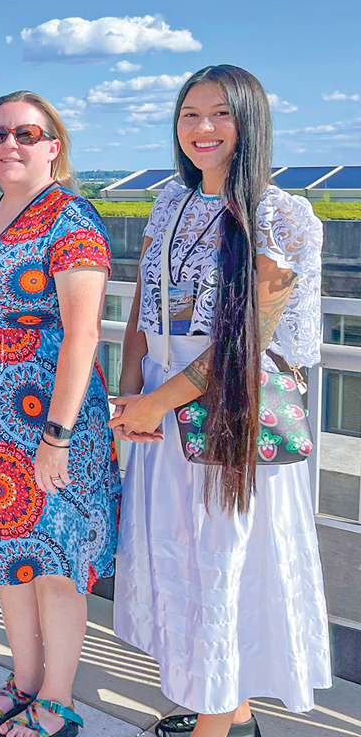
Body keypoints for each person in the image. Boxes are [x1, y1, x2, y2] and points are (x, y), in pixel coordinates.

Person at [110, 66, 330, 737]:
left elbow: (249, 336)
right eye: (189, 115)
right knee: (185, 561)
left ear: (249, 122)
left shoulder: (278, 213)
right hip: (160, 405)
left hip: (228, 413)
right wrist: (130, 387)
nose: (202, 129)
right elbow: (145, 306)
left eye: (219, 114)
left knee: (221, 566)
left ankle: (214, 725)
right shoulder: (168, 204)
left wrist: (159, 404)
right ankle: (231, 712)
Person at [0, 91, 119, 737]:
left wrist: (58, 438)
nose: (8, 145)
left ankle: (58, 698)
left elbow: (82, 334)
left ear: (54, 146)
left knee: (56, 567)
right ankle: (23, 680)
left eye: (25, 133)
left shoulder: (71, 221)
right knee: (10, 561)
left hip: (48, 426)